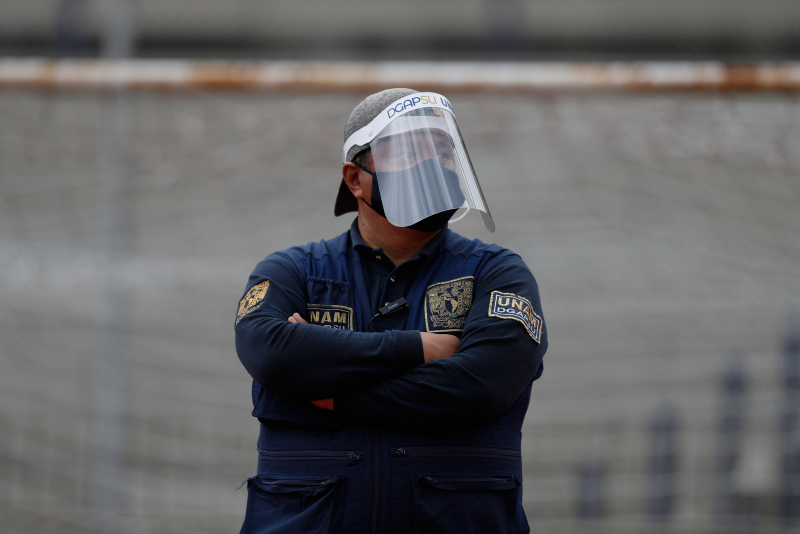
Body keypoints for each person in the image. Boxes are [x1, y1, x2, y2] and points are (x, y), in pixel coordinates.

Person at [235, 88, 548, 534]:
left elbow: (480, 386)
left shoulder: (497, 272)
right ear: (355, 178)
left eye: (442, 151)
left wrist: (327, 392)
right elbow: (271, 354)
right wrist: (419, 347)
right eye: (408, 151)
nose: (433, 165)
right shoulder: (293, 271)